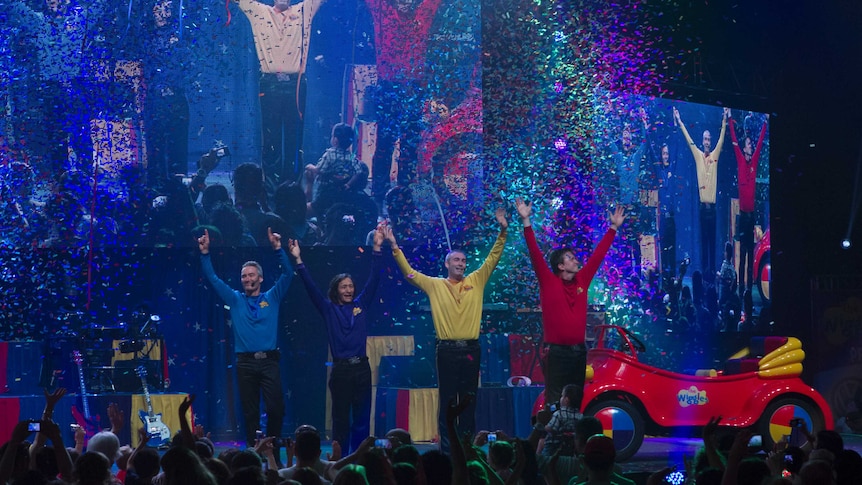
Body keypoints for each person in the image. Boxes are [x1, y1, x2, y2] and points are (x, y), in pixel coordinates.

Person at [384, 208, 508, 453]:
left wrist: (503, 231)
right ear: (447, 264)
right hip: (447, 351)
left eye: (463, 261)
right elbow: (410, 274)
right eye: (456, 260)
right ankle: (449, 451)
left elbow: (493, 257)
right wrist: (394, 246)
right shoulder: (435, 285)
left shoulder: (476, 280)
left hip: (471, 349)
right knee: (448, 401)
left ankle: (466, 448)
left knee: (469, 401)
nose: (461, 264)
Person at [515, 197, 625, 409]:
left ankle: (574, 440)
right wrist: (526, 220)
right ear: (560, 265)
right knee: (554, 402)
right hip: (556, 353)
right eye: (570, 258)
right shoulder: (548, 282)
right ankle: (550, 440)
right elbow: (535, 253)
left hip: (578, 352)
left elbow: (598, 256)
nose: (576, 260)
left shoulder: (582, 280)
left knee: (575, 402)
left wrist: (613, 227)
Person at [287, 225, 387, 453]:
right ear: (336, 290)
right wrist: (299, 260)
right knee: (341, 420)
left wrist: (378, 248)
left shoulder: (361, 304)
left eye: (351, 286)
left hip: (362, 369)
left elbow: (373, 279)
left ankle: (360, 457)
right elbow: (310, 287)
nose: (349, 290)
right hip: (341, 371)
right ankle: (340, 458)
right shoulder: (328, 308)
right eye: (344, 287)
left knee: (362, 419)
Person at [197, 226, 293, 455]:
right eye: (244, 276)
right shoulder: (235, 298)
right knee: (249, 412)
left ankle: (271, 446)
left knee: (276, 408)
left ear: (260, 278)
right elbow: (212, 278)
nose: (247, 279)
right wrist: (204, 254)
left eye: (251, 275)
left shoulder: (272, 296)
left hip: (269, 362)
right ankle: (253, 451)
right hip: (245, 363)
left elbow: (288, 274)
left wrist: (278, 248)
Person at [235, 0, 325, 186]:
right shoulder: (259, 11)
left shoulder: (303, 10)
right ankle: (270, 192)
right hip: (270, 84)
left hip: (295, 84)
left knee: (294, 140)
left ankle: (291, 191)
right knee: (270, 141)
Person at [364, 0, 444, 206]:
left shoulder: (423, 12)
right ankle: (378, 196)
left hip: (413, 89)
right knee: (384, 145)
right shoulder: (383, 10)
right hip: (388, 88)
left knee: (409, 147)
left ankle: (405, 197)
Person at [673, 106, 728, 275]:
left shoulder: (715, 156)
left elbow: (722, 139)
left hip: (713, 210)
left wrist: (724, 119)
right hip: (702, 209)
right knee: (704, 244)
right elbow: (688, 140)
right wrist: (680, 121)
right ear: (702, 140)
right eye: (704, 139)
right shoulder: (697, 155)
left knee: (712, 244)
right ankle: (705, 276)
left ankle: (711, 275)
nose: (707, 142)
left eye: (708, 139)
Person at [143, 0, 191, 185]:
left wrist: (172, 85)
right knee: (155, 146)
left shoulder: (180, 35)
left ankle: (177, 187)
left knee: (177, 146)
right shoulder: (146, 37)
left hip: (176, 99)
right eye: (159, 8)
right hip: (155, 99)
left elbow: (186, 66)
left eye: (167, 9)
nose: (163, 13)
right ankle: (155, 185)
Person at [728, 111, 768, 298]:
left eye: (752, 145)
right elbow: (734, 139)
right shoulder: (739, 160)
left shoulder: (754, 161)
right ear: (744, 148)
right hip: (742, 217)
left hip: (751, 216)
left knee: (750, 252)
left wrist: (766, 122)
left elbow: (760, 142)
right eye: (749, 145)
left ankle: (749, 289)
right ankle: (740, 285)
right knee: (742, 253)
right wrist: (729, 118)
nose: (751, 146)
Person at [541, 384, 583, 457]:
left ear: (566, 400)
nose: (560, 398)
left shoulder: (558, 414)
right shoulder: (580, 416)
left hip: (554, 447)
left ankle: (540, 461)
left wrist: (544, 426)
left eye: (562, 396)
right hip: (571, 448)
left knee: (542, 440)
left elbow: (551, 428)